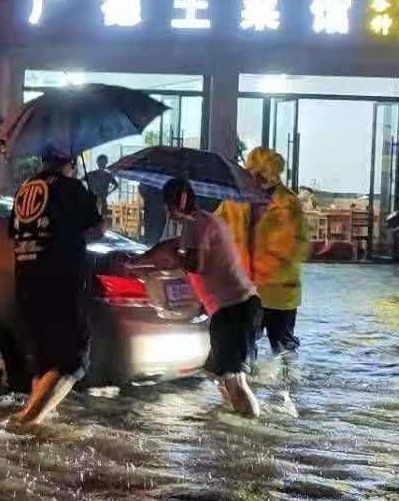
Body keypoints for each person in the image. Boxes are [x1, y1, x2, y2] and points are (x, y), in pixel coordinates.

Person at [132, 178, 262, 418]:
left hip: (234, 309)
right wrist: (143, 262)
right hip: (238, 308)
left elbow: (194, 264)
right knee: (214, 371)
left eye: (168, 205)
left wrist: (172, 255)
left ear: (180, 200)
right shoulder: (207, 221)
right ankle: (232, 413)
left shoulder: (195, 225)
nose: (168, 212)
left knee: (234, 379)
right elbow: (176, 249)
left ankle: (248, 430)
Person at [10, 149, 106, 423]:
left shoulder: (23, 191)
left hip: (25, 283)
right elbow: (97, 230)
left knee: (44, 364)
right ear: (70, 163)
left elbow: (15, 234)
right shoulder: (71, 188)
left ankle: (35, 427)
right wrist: (97, 211)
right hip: (60, 285)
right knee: (73, 362)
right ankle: (26, 422)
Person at [217, 147, 310, 354]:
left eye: (251, 170)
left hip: (277, 292)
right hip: (246, 289)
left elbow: (296, 247)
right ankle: (251, 382)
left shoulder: (288, 203)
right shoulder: (235, 199)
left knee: (282, 348)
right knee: (244, 346)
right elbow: (216, 227)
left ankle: (285, 383)